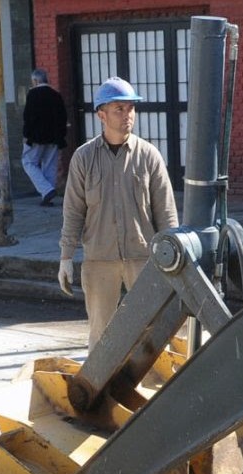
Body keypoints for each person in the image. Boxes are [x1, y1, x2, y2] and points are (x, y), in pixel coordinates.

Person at [58, 76, 179, 347]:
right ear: (101, 115)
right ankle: (101, 389)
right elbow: (74, 211)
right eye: (119, 109)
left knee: (151, 335)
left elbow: (166, 213)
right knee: (102, 338)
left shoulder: (149, 156)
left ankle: (153, 388)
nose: (128, 115)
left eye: (131, 108)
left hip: (144, 260)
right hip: (99, 260)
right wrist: (66, 257)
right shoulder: (83, 158)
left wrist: (173, 259)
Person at [22, 68, 68, 206]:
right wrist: (61, 135)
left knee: (28, 162)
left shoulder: (32, 94)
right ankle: (47, 194)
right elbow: (63, 117)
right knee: (50, 165)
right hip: (54, 137)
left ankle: (46, 190)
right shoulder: (56, 95)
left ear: (35, 81)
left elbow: (28, 117)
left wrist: (26, 135)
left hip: (36, 137)